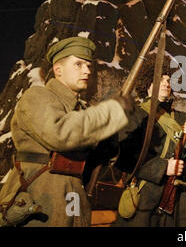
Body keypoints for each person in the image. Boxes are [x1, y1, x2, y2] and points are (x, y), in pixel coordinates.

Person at [0, 37, 135, 227]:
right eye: (78, 64)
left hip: (73, 195)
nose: (87, 70)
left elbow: (98, 158)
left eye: (88, 65)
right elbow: (60, 133)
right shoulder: (37, 97)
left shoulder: (82, 110)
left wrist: (109, 139)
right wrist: (110, 112)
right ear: (58, 69)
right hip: (41, 197)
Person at [114, 69, 186, 227]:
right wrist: (163, 167)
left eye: (168, 80)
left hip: (180, 201)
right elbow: (123, 158)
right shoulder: (135, 115)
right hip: (147, 196)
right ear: (147, 86)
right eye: (160, 79)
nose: (166, 83)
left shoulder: (183, 118)